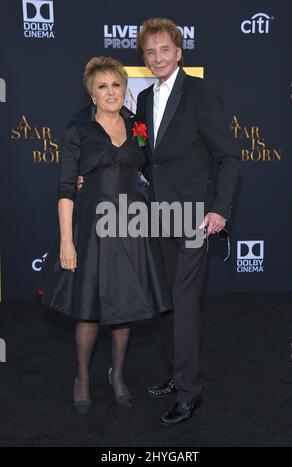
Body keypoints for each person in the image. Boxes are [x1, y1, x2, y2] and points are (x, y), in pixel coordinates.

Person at [38, 56, 172, 415]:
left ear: (125, 89)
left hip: (129, 227)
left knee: (124, 307)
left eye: (116, 85)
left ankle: (118, 376)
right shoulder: (78, 130)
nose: (110, 92)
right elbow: (66, 188)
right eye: (102, 86)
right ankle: (82, 377)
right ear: (91, 93)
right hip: (91, 230)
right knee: (87, 310)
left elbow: (150, 170)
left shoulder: (137, 125)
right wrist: (67, 241)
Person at [135, 18, 240, 425]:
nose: (157, 57)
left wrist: (219, 210)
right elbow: (147, 155)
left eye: (164, 50)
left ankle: (191, 392)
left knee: (185, 302)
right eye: (150, 52)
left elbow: (228, 157)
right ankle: (174, 374)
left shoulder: (201, 92)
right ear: (144, 58)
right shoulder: (143, 100)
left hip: (195, 217)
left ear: (179, 52)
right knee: (166, 302)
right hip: (159, 215)